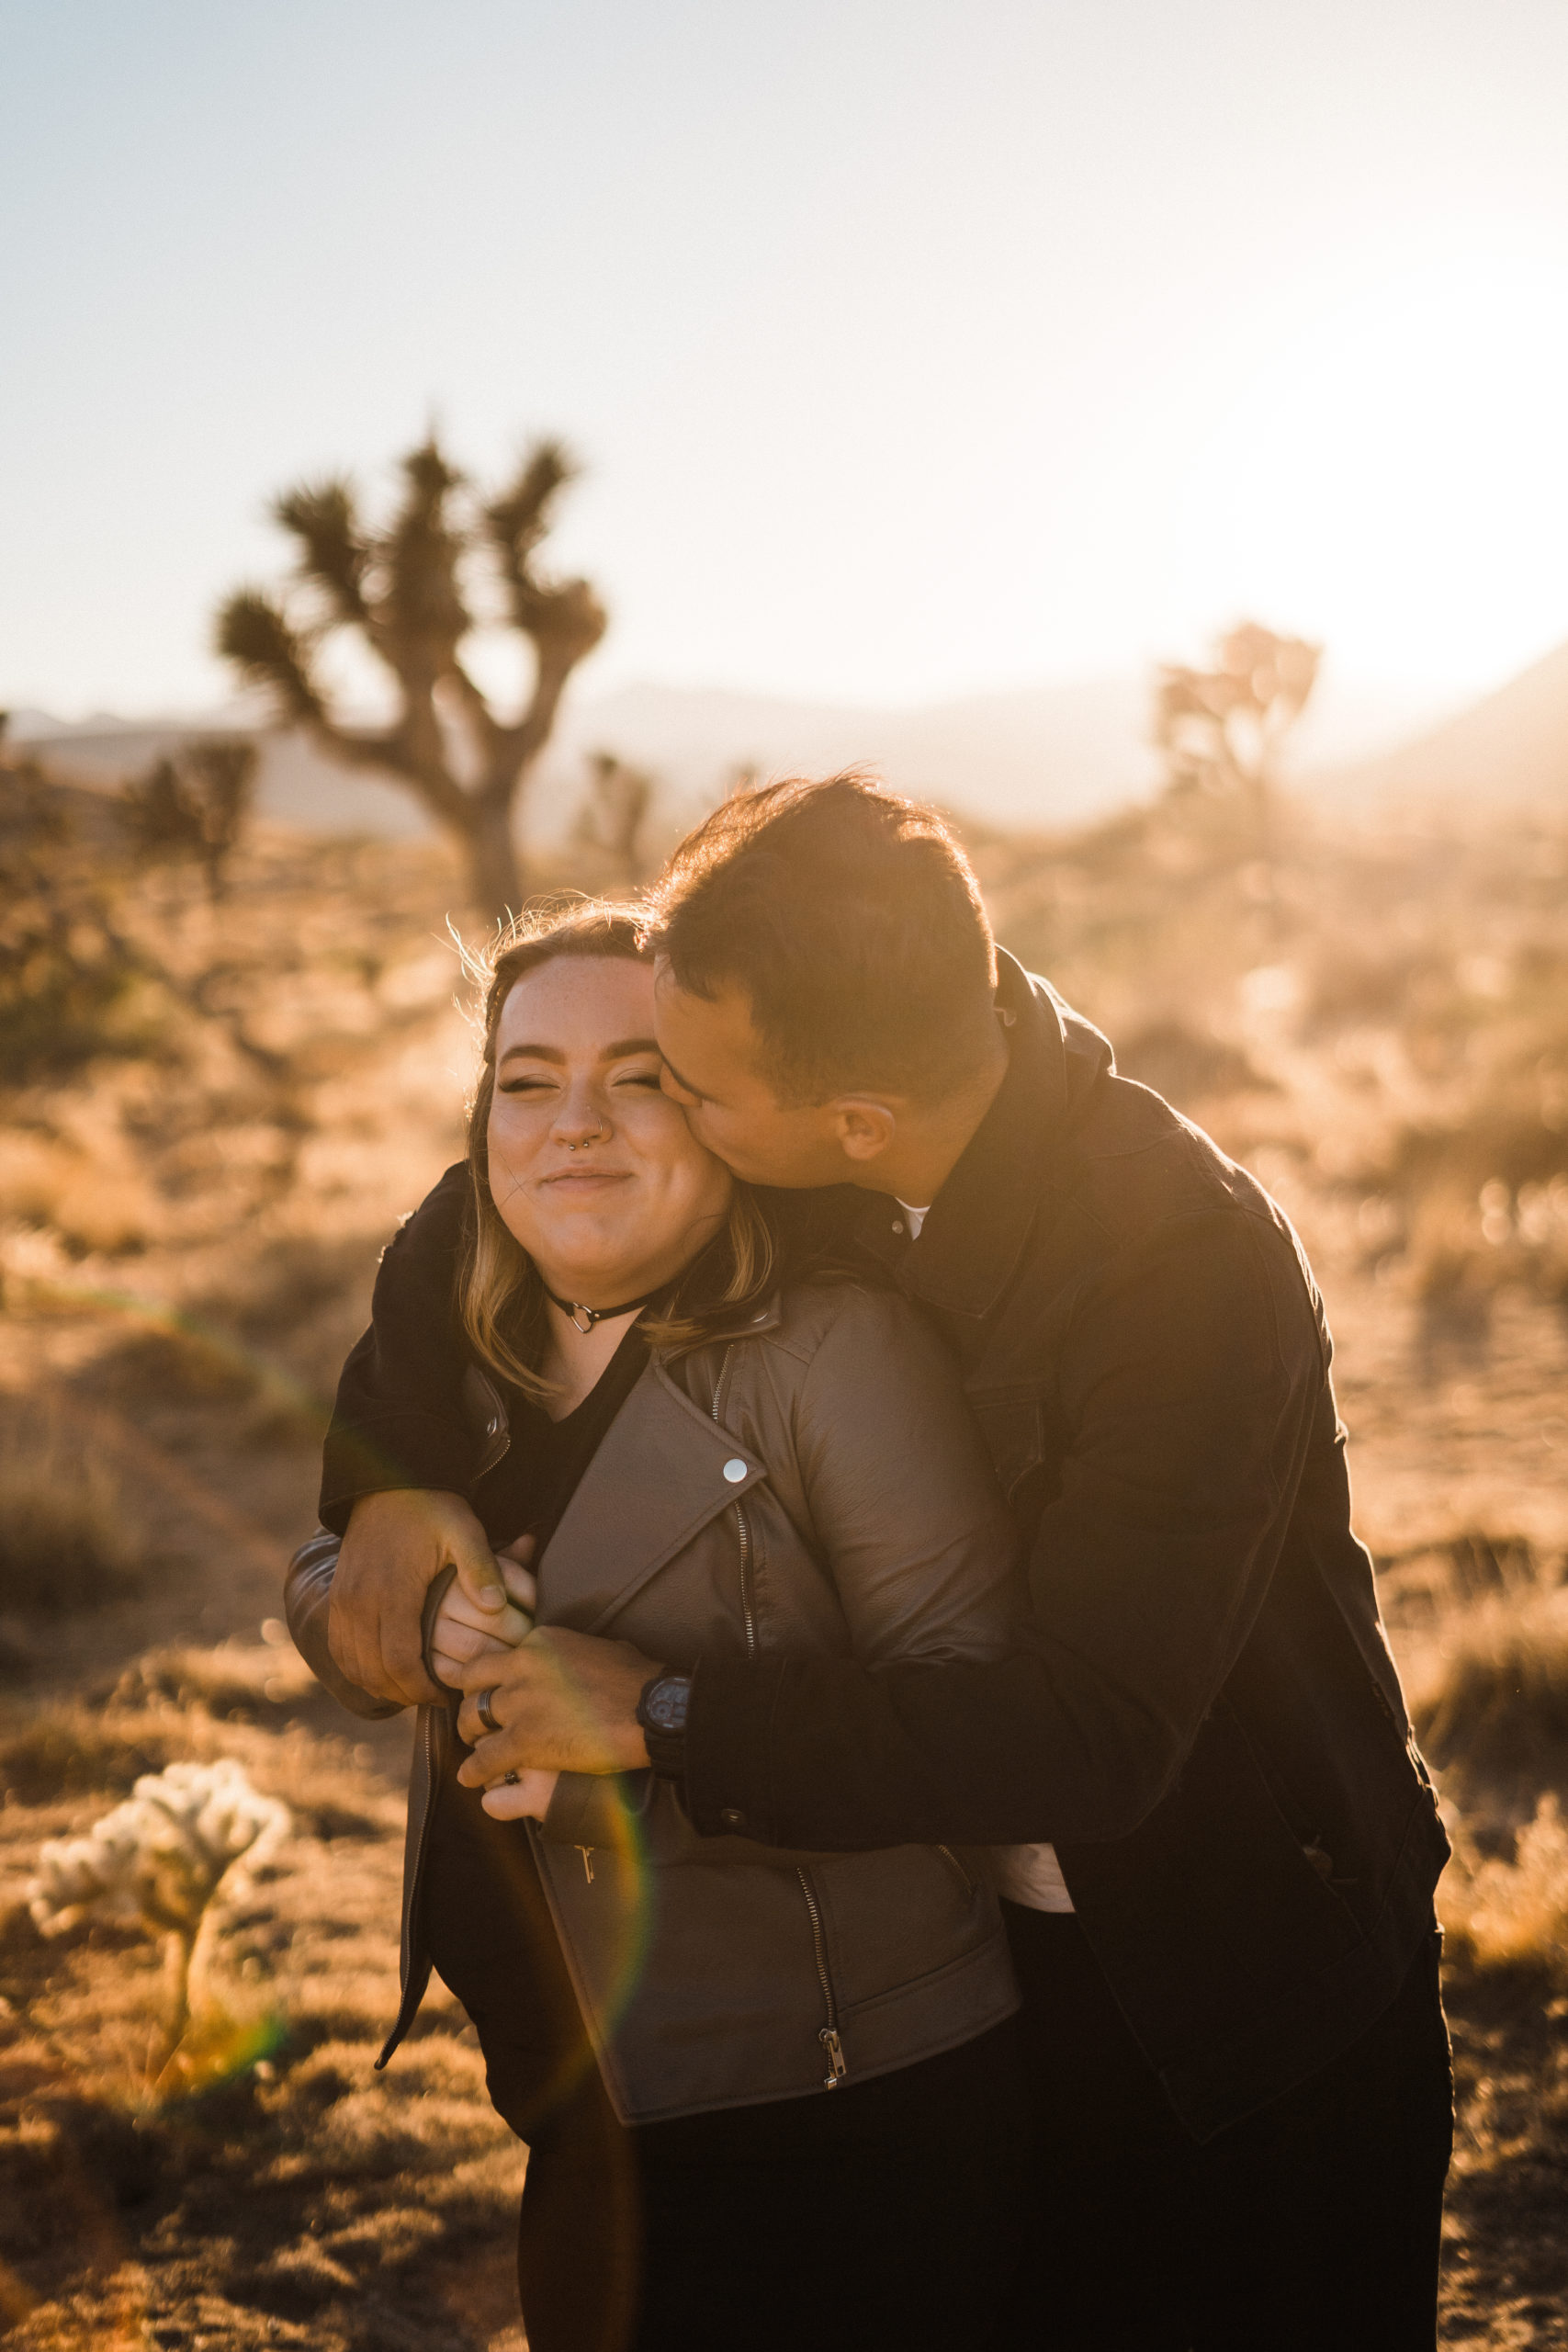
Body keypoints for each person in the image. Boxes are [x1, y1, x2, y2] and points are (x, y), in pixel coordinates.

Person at [324, 775, 1456, 2351]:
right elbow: (494, 1184)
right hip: (980, 1994)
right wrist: (388, 1470)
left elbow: (1088, 1739)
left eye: (681, 1091)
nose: (629, 1122)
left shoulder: (1177, 1271)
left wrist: (662, 1719)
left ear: (843, 1127)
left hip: (1230, 1996)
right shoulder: (847, 1061)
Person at [288, 900, 1036, 2352]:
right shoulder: (460, 1350)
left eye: (640, 1078)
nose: (576, 1124)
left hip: (845, 2115)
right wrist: (396, 1623)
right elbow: (329, 1576)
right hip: (574, 2090)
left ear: (724, 1118)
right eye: (526, 1080)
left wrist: (660, 1730)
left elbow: (981, 1732)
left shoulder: (836, 1352)